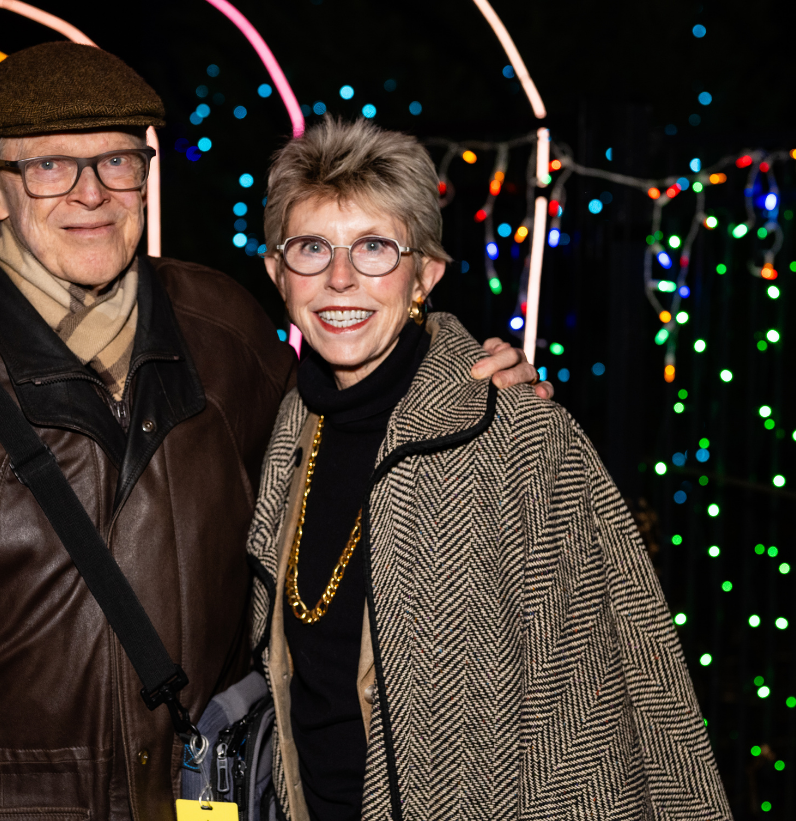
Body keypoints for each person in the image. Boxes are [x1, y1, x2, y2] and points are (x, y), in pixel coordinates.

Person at [0, 42, 544, 820]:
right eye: (50, 166)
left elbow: (340, 441)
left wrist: (461, 383)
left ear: (146, 177)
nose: (91, 194)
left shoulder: (221, 330)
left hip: (198, 799)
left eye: (117, 162)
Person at [247, 117, 730, 820]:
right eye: (312, 248)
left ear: (426, 275)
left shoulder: (520, 436)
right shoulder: (287, 432)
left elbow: (590, 717)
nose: (341, 277)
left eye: (376, 247)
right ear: (277, 274)